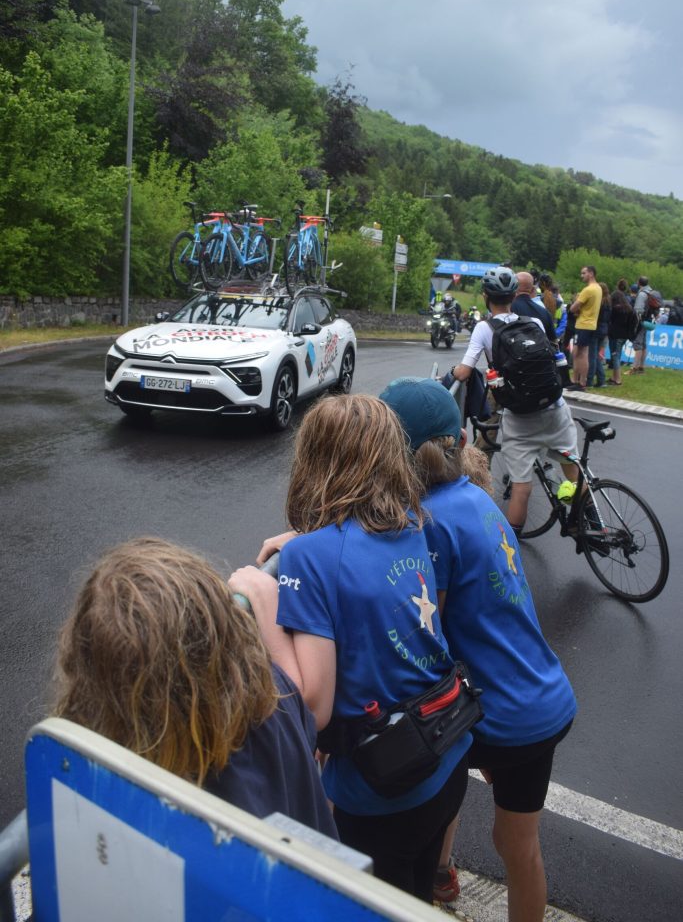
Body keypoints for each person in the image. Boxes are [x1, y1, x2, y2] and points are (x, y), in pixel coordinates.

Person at [228, 395, 471, 902]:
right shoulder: (410, 522)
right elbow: (356, 551)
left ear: (313, 460)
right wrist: (306, 540)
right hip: (447, 754)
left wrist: (262, 597)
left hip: (384, 792)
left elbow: (314, 707)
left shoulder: (311, 558)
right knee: (415, 898)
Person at [380, 378, 576, 922]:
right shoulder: (473, 496)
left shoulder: (432, 523)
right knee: (515, 842)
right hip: (538, 690)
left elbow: (429, 629)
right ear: (459, 439)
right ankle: (443, 872)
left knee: (500, 834)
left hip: (506, 713)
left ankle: (437, 872)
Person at [54, 536, 337, 838]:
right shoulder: (267, 702)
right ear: (224, 631)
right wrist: (269, 603)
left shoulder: (122, 794)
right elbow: (303, 707)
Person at [448, 266, 579, 535]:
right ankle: (591, 523)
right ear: (515, 295)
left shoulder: (484, 328)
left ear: (486, 296)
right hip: (555, 407)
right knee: (573, 471)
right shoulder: (536, 323)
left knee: (521, 486)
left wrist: (450, 375)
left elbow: (464, 371)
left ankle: (511, 552)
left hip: (521, 416)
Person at [568, 265, 602, 391]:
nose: (581, 276)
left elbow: (573, 308)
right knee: (581, 353)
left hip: (583, 324)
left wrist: (576, 300)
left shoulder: (588, 290)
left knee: (579, 354)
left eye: (584, 273)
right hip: (592, 324)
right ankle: (578, 380)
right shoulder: (598, 288)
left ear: (591, 273)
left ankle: (579, 381)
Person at [511, 272, 557, 343]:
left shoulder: (508, 309)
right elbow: (554, 342)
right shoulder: (545, 312)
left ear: (513, 286)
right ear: (532, 289)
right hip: (540, 352)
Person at [607, 285, 635, 386]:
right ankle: (614, 377)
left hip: (615, 335)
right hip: (624, 336)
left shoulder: (615, 309)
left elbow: (611, 321)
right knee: (617, 356)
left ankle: (618, 379)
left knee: (615, 356)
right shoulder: (629, 309)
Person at [588, 283, 611, 388]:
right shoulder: (609, 302)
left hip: (596, 329)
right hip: (604, 330)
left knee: (592, 356)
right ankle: (601, 379)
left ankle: (590, 380)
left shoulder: (599, 303)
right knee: (596, 355)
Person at [630, 275, 654, 374]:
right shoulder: (651, 292)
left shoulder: (642, 294)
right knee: (643, 345)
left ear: (638, 283)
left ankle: (634, 368)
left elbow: (638, 310)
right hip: (648, 321)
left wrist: (636, 322)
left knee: (638, 344)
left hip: (641, 322)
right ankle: (641, 367)